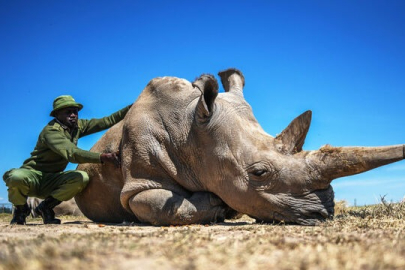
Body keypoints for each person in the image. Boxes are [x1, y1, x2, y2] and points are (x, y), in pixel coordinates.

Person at [3, 95, 131, 225]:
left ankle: (46, 207)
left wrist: (134, 106)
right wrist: (102, 157)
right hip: (33, 177)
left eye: (75, 111)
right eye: (68, 112)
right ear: (57, 114)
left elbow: (108, 121)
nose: (73, 115)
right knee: (16, 177)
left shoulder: (78, 127)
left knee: (81, 178)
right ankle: (20, 210)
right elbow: (73, 154)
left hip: (52, 179)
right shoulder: (51, 132)